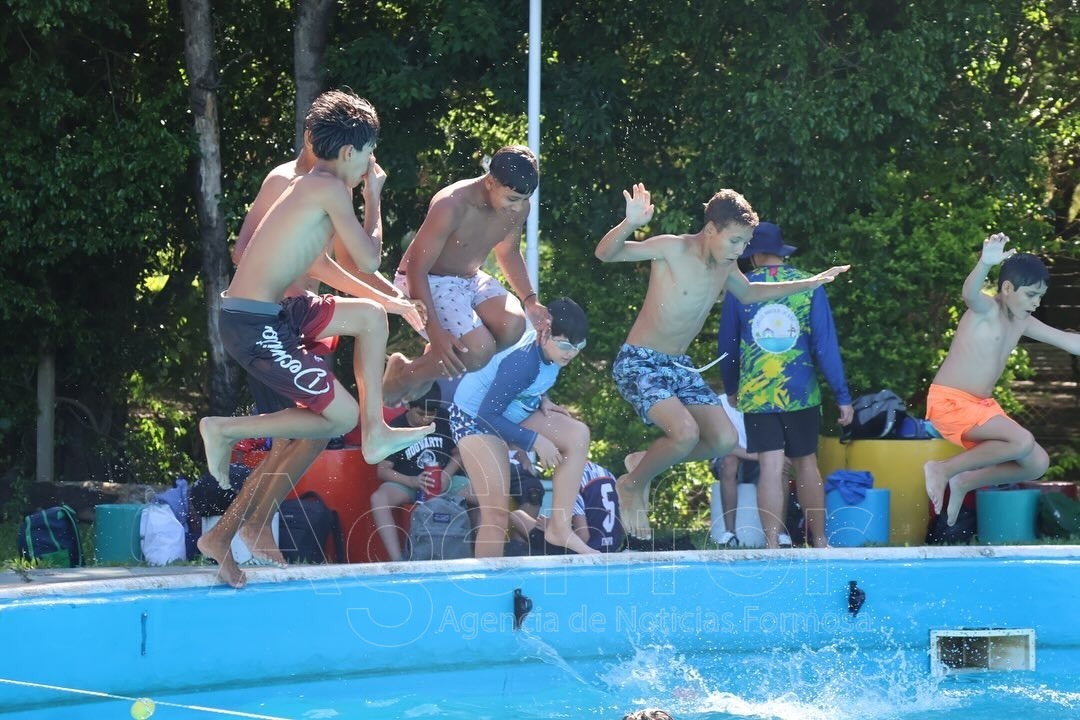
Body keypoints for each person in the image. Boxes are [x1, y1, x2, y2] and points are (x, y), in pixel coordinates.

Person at [197, 90, 434, 587]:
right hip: (257, 323)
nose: (371, 163)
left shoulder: (314, 186)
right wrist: (373, 198)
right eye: (369, 154)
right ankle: (224, 430)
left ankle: (373, 432)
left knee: (369, 318)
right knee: (329, 420)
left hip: (279, 315)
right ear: (349, 152)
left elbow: (322, 266)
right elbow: (366, 259)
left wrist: (392, 303)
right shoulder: (323, 187)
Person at [596, 184, 849, 539]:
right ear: (711, 229)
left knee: (724, 440)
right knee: (685, 433)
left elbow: (749, 292)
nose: (741, 251)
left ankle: (644, 462)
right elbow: (606, 254)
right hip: (641, 362)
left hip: (679, 367)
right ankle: (632, 484)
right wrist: (629, 223)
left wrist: (807, 284)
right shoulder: (673, 248)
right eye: (735, 241)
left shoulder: (725, 266)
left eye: (746, 243)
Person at [924, 234, 1076, 525]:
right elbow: (969, 294)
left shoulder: (1021, 321)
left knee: (1037, 463)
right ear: (1007, 288)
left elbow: (1068, 341)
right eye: (1031, 294)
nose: (1037, 302)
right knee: (1021, 441)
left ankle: (966, 481)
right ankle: (943, 469)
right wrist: (985, 263)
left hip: (982, 407)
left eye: (1040, 296)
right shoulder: (986, 310)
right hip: (950, 402)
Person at [718, 221, 854, 548]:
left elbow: (727, 345)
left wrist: (732, 387)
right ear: (779, 252)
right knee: (807, 463)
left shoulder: (741, 286)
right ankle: (819, 541)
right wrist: (842, 396)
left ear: (755, 254)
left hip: (758, 391)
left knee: (770, 465)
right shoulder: (808, 284)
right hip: (801, 392)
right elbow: (824, 344)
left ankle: (771, 544)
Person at [384, 145, 550, 405]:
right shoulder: (452, 205)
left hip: (469, 279)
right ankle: (404, 375)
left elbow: (508, 251)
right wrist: (436, 333)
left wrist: (530, 300)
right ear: (491, 182)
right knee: (477, 352)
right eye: (512, 199)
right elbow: (416, 268)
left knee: (514, 324)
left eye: (524, 200)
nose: (518, 208)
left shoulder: (518, 206)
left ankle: (429, 365)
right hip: (422, 281)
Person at [450, 297, 597, 557]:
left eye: (578, 346)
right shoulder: (523, 362)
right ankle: (487, 590)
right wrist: (534, 441)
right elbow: (488, 414)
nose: (570, 352)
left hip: (511, 413)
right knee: (496, 513)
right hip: (475, 420)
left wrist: (543, 398)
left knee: (577, 434)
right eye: (564, 344)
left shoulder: (553, 353)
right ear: (543, 333)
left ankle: (560, 528)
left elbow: (530, 382)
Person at [371, 384, 465, 561]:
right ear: (408, 406)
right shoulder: (396, 427)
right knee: (379, 498)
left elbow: (459, 454)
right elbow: (382, 470)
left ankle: (471, 556)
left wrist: (446, 475)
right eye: (420, 413)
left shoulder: (444, 419)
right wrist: (412, 481)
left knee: (483, 495)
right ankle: (398, 561)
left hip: (444, 479)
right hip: (409, 483)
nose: (426, 419)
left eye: (432, 414)